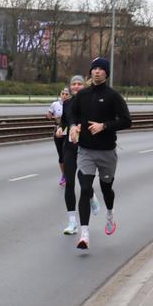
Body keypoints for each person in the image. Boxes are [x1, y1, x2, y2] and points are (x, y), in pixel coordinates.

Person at [69, 57, 131, 250]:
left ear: (106, 73)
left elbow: (127, 121)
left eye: (100, 69)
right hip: (86, 150)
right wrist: (73, 126)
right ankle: (84, 234)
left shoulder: (113, 96)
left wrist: (104, 126)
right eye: (94, 69)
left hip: (106, 152)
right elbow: (72, 112)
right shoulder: (83, 94)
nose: (96, 72)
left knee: (106, 189)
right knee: (85, 188)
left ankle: (110, 214)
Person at [59, 76, 100, 235]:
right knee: (69, 183)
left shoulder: (91, 101)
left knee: (84, 183)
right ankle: (72, 222)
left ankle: (91, 195)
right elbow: (64, 122)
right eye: (73, 84)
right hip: (70, 146)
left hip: (86, 148)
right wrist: (60, 129)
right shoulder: (67, 103)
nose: (76, 86)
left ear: (84, 85)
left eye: (79, 84)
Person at [47, 88, 70, 186]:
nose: (64, 95)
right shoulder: (55, 104)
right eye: (63, 93)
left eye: (66, 94)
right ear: (60, 94)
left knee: (69, 154)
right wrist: (49, 116)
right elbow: (49, 115)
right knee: (61, 155)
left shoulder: (72, 104)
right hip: (58, 130)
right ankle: (64, 175)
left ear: (69, 95)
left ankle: (70, 174)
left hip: (69, 130)